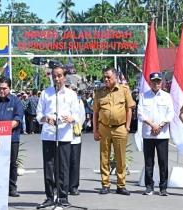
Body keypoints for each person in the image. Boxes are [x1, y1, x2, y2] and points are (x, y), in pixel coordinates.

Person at [36, 66, 80, 208]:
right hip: (49, 135)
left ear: (64, 77)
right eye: (54, 76)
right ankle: (49, 196)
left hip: (64, 134)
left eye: (59, 76)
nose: (56, 79)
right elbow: (38, 114)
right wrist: (45, 119)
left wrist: (71, 118)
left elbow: (78, 115)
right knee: (49, 167)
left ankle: (63, 196)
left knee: (63, 168)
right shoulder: (45, 93)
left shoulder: (71, 94)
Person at [92, 67, 135, 195]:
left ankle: (121, 185)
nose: (106, 79)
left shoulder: (124, 90)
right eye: (104, 77)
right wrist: (95, 130)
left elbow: (129, 109)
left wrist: (127, 126)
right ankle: (105, 184)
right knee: (104, 157)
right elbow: (95, 112)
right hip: (104, 128)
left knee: (120, 157)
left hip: (120, 128)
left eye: (108, 77)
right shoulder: (100, 92)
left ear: (115, 77)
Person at [137, 72, 174, 196]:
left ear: (161, 83)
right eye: (154, 81)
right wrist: (152, 125)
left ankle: (163, 188)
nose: (156, 83)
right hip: (148, 133)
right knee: (149, 161)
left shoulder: (167, 96)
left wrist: (160, 125)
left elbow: (170, 113)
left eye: (158, 81)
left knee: (163, 161)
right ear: (150, 82)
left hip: (162, 134)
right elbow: (140, 113)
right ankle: (149, 186)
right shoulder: (143, 96)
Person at [65, 79, 86, 196]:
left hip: (74, 136)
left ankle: (73, 186)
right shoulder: (58, 100)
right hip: (62, 136)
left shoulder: (78, 101)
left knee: (74, 162)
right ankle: (62, 185)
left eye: (69, 86)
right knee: (62, 163)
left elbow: (81, 118)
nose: (68, 88)